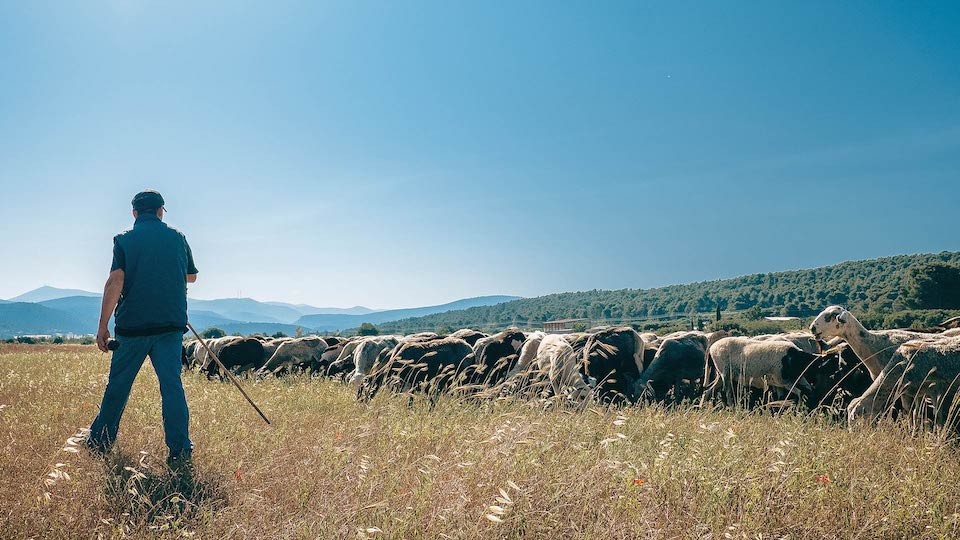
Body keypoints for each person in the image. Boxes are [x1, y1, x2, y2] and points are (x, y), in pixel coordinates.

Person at [86, 190, 198, 468]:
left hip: (133, 327)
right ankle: (180, 450)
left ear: (134, 213)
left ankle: (100, 442)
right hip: (170, 327)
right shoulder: (178, 237)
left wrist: (102, 326)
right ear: (161, 211)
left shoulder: (124, 240)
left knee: (119, 386)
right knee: (172, 387)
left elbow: (116, 281)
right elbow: (192, 276)